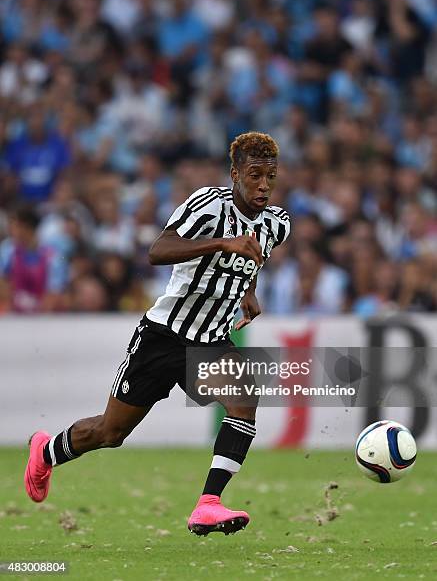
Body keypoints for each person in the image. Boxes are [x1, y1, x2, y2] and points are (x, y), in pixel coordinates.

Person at [24, 132, 291, 536]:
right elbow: (157, 250)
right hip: (163, 336)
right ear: (235, 174)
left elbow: (254, 255)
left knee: (243, 399)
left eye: (270, 176)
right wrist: (221, 243)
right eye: (255, 175)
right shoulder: (208, 206)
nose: (264, 185)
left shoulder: (278, 223)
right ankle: (45, 451)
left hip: (211, 339)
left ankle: (208, 504)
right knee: (110, 432)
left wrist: (249, 292)